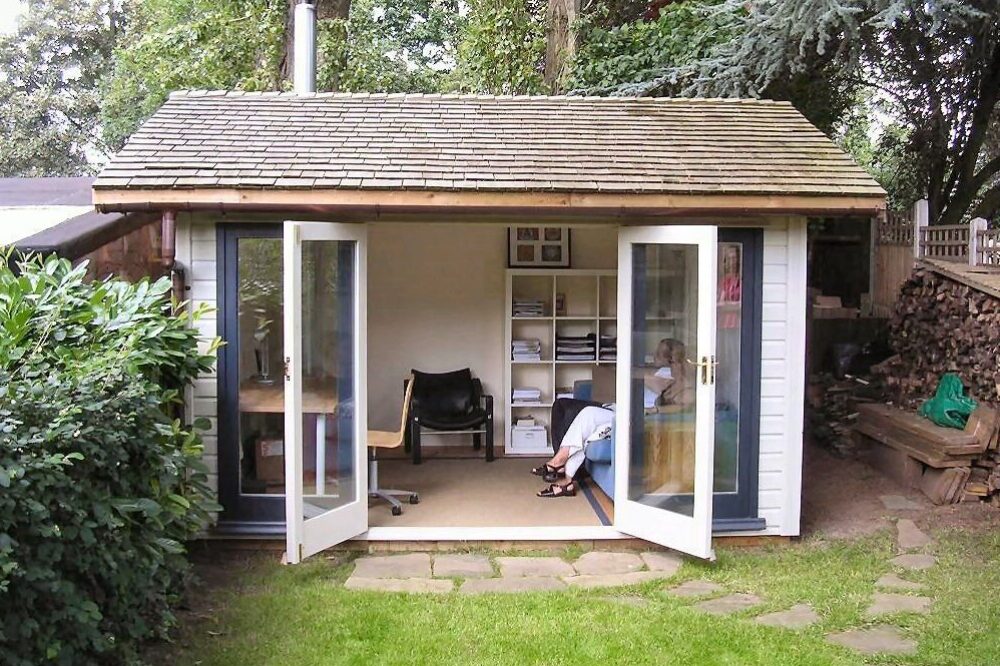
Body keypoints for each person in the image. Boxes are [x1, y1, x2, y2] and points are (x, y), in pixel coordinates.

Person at [533, 338, 693, 498]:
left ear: (673, 360)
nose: (655, 356)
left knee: (582, 413)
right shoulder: (661, 373)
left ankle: (560, 465)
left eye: (661, 354)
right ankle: (563, 469)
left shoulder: (668, 377)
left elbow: (679, 402)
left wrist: (655, 406)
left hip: (631, 415)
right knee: (573, 411)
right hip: (618, 409)